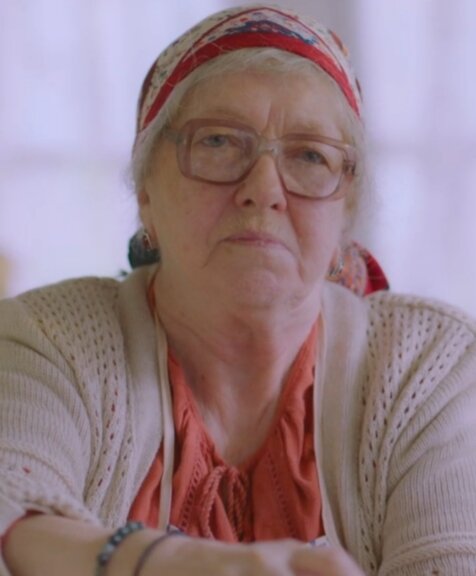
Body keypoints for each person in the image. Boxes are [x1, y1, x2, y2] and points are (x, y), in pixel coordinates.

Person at [1, 4, 475, 575]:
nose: (263, 189)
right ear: (145, 190)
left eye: (309, 154)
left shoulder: (428, 364)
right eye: (219, 142)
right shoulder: (49, 338)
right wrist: (169, 563)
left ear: (345, 210)